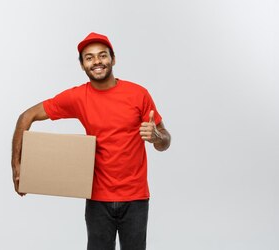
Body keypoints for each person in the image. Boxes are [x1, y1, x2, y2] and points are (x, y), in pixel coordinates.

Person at [11, 32, 171, 250]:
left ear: (113, 59)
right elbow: (26, 116)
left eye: (102, 55)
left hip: (136, 198)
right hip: (97, 198)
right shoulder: (78, 97)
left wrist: (156, 137)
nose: (97, 61)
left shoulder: (138, 94)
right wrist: (17, 167)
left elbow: (165, 141)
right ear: (82, 65)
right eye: (89, 57)